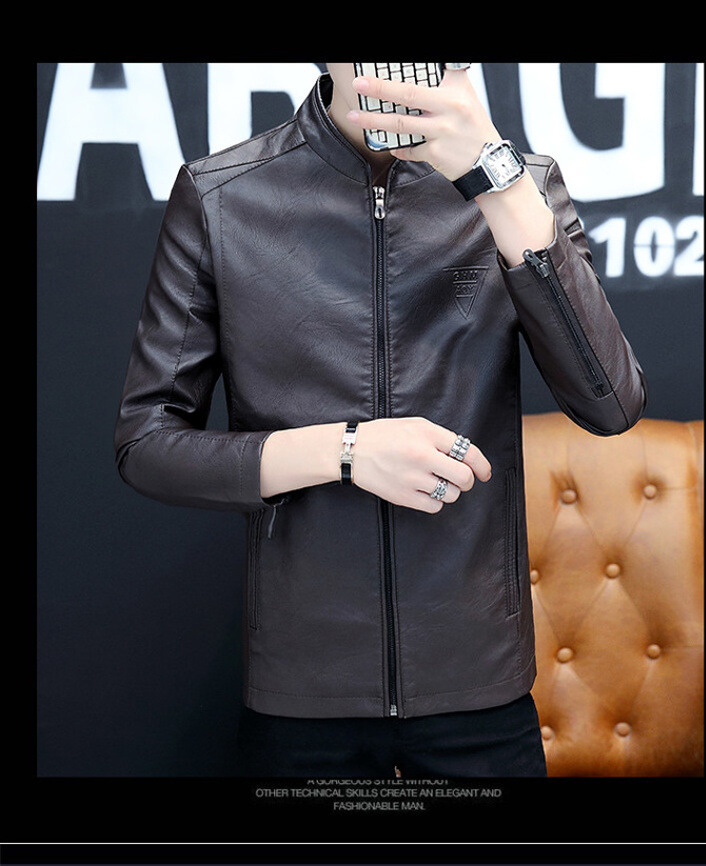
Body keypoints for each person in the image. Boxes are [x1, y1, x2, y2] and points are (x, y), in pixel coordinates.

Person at [114, 62, 647, 778]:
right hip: (304, 689)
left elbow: (610, 405)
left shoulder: (524, 186)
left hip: (479, 683)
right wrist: (345, 450)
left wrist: (498, 182)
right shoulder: (223, 195)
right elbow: (148, 444)